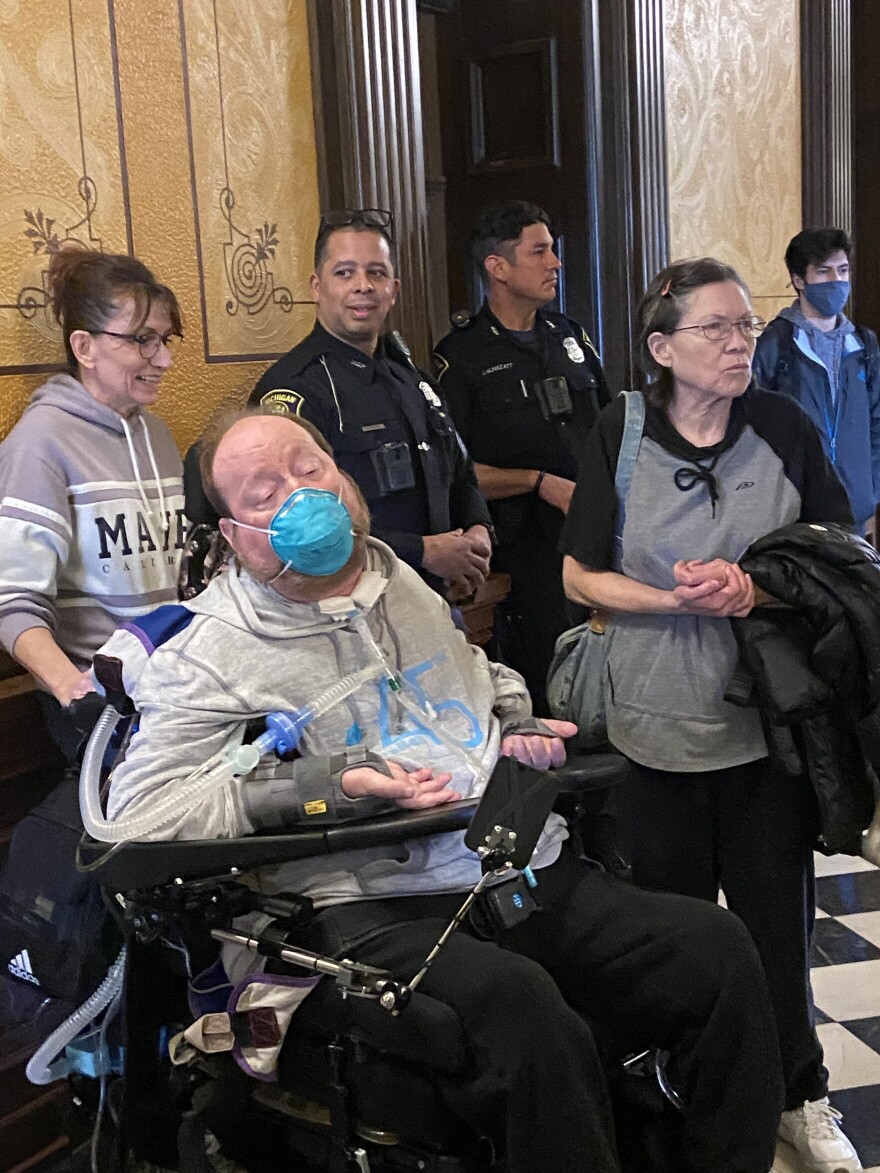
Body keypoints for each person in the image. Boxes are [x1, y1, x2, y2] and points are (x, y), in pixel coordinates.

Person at [103, 407, 786, 1173]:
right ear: (233, 536)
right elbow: (140, 814)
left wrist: (518, 720)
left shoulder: (404, 586)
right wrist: (330, 785)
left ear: (345, 481)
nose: (300, 497)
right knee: (524, 1012)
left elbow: (475, 678)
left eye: (309, 470)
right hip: (364, 903)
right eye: (263, 493)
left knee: (718, 951)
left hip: (507, 865)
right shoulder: (207, 651)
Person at [561, 257, 861, 1173]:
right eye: (717, 330)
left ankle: (799, 1095)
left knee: (777, 926)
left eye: (744, 326)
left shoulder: (783, 425)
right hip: (651, 729)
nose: (740, 344)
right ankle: (683, 1098)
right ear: (664, 347)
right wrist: (672, 600)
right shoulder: (619, 430)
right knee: (674, 934)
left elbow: (842, 552)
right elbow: (577, 574)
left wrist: (753, 585)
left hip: (767, 729)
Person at [240, 207, 492, 598]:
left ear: (394, 288)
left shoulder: (412, 378)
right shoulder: (297, 387)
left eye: (376, 272)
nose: (363, 285)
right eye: (344, 273)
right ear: (316, 287)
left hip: (434, 600)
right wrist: (422, 551)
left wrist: (478, 531)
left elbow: (460, 473)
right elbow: (292, 525)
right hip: (348, 605)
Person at [0, 248, 186, 761]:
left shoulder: (159, 437)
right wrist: (75, 691)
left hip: (174, 690)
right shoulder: (39, 444)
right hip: (101, 706)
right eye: (142, 340)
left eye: (165, 340)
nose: (164, 359)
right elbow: (13, 603)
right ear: (85, 346)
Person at [433, 201, 609, 710]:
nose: (555, 262)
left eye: (552, 250)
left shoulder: (572, 337)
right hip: (523, 550)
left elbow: (610, 429)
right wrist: (537, 481)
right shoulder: (461, 356)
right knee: (548, 676)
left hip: (593, 536)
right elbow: (453, 473)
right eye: (539, 252)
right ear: (498, 267)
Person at [753, 227, 880, 536]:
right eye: (823, 272)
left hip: (855, 511)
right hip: (793, 511)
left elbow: (877, 422)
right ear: (799, 280)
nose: (836, 281)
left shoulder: (864, 345)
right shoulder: (776, 343)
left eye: (843, 270)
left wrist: (871, 491)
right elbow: (752, 424)